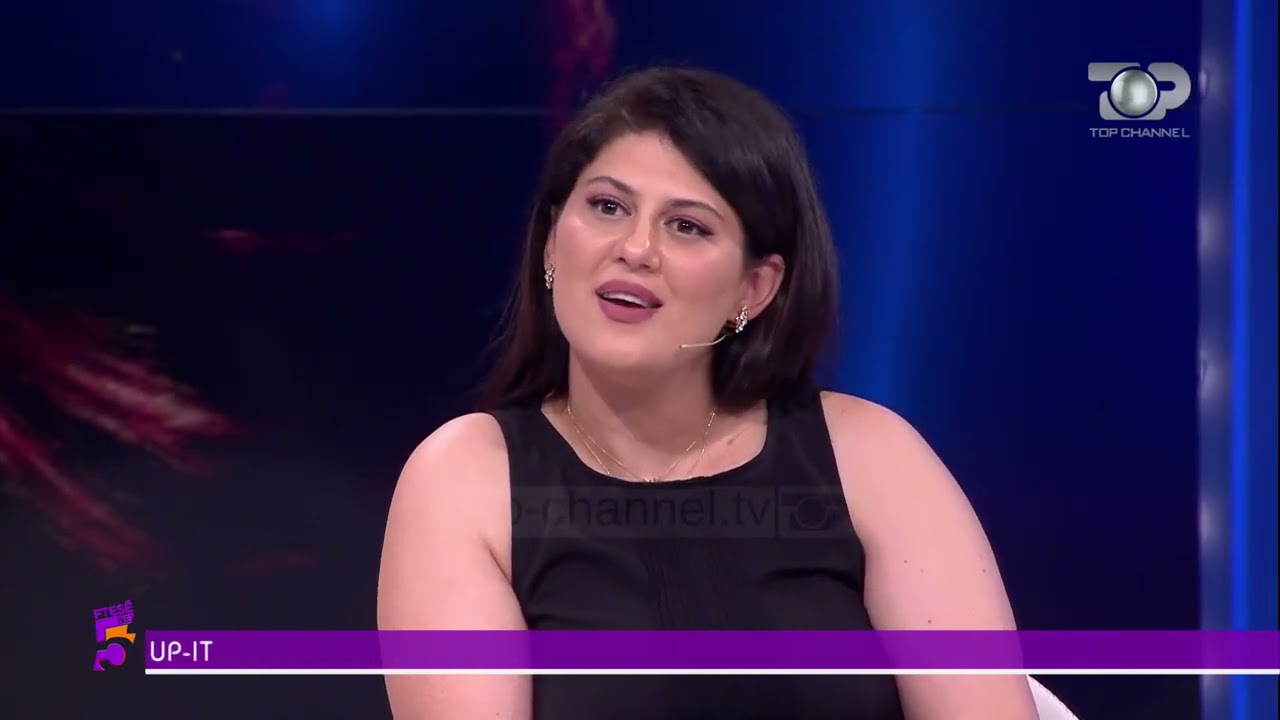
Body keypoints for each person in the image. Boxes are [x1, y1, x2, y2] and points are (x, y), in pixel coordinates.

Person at [377, 66, 1037, 720]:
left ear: (755, 289)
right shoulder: (467, 479)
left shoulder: (870, 457)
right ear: (552, 243)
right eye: (608, 207)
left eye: (687, 226)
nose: (636, 248)